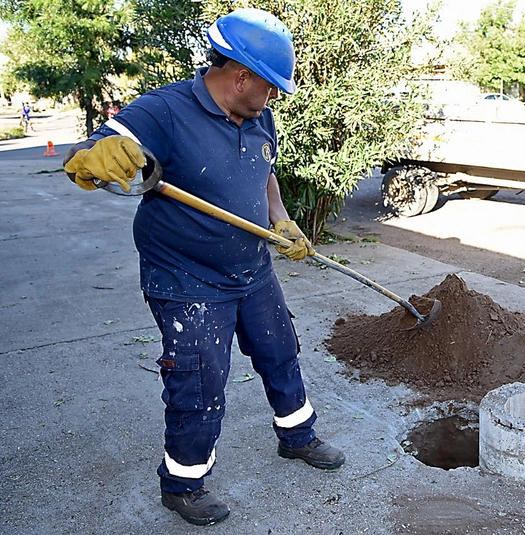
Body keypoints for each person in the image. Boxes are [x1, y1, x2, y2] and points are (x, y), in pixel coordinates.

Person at [62, 8, 344, 526]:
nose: (276, 97)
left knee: (280, 351)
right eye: (272, 86)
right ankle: (183, 483)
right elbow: (99, 148)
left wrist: (282, 221)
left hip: (252, 266)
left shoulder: (260, 118)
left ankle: (297, 435)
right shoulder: (165, 111)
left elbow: (265, 173)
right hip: (186, 277)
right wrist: (95, 156)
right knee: (200, 383)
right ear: (241, 77)